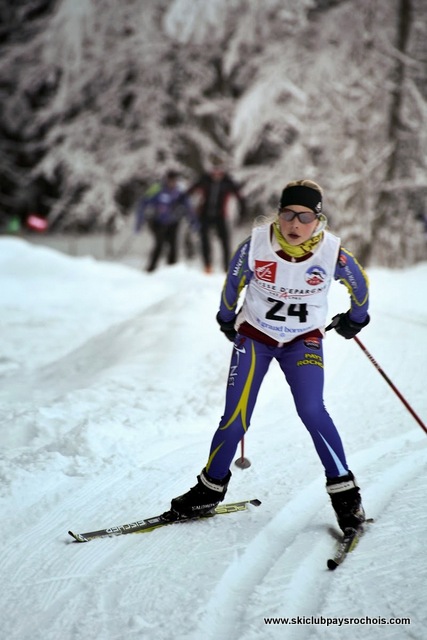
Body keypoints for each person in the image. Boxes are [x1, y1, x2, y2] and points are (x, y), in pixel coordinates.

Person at [165, 179, 370, 534]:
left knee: (311, 409)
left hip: (303, 340)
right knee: (236, 417)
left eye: (304, 217)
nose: (294, 224)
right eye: (288, 214)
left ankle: (345, 495)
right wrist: (227, 319)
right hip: (256, 336)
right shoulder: (256, 245)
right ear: (278, 214)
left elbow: (360, 285)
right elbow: (233, 284)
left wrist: (356, 318)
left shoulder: (332, 252)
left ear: (317, 220)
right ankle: (209, 489)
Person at [186, 161, 247, 273]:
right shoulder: (204, 180)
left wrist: (242, 212)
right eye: (214, 170)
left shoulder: (228, 182)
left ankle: (227, 266)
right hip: (204, 214)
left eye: (219, 171)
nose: (216, 173)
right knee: (204, 239)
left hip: (220, 215)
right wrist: (188, 209)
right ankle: (207, 265)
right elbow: (189, 192)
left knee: (225, 240)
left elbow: (240, 198)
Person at [135, 170, 196, 272]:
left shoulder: (180, 191)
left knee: (173, 245)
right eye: (170, 180)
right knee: (160, 243)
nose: (172, 183)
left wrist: (193, 221)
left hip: (173, 222)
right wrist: (140, 221)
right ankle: (151, 269)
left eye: (174, 180)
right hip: (157, 221)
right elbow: (143, 202)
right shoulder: (157, 188)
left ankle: (171, 269)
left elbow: (188, 207)